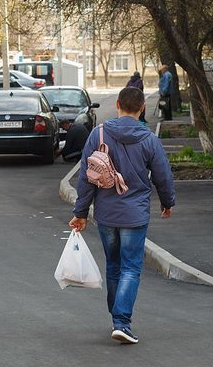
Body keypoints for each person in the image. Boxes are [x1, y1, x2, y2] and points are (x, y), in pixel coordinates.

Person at [69, 87, 176, 345]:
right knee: (131, 268)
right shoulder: (149, 139)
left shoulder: (99, 134)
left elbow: (85, 178)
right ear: (142, 109)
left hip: (106, 215)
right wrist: (167, 202)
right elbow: (162, 174)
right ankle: (121, 322)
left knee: (114, 266)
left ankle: (117, 319)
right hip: (135, 216)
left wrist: (81, 212)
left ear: (117, 104)